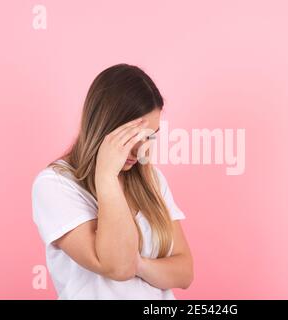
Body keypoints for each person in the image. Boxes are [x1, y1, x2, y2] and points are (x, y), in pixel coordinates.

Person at [31, 63, 193, 299]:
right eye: (132, 136)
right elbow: (118, 266)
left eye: (149, 136)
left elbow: (184, 272)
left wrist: (139, 264)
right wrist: (107, 176)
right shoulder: (54, 185)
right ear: (104, 124)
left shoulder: (153, 179)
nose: (141, 149)